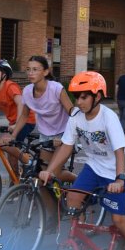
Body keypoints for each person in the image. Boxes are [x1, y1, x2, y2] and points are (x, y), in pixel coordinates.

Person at [38, 71, 125, 250]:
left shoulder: (108, 118)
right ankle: (79, 238)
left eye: (84, 96)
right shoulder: (76, 118)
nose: (79, 102)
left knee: (119, 220)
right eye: (77, 97)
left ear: (97, 96)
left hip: (116, 172)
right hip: (94, 168)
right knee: (72, 198)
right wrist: (51, 170)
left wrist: (120, 179)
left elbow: (120, 151)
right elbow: (66, 146)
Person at [9, 55, 75, 184]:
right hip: (45, 134)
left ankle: (80, 182)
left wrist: (67, 136)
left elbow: (71, 112)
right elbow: (24, 115)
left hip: (64, 134)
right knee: (43, 177)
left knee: (53, 173)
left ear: (45, 72)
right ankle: (49, 202)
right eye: (28, 69)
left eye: (35, 69)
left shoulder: (56, 88)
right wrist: (14, 135)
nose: (31, 73)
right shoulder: (27, 91)